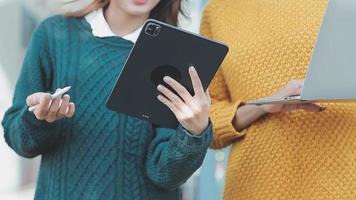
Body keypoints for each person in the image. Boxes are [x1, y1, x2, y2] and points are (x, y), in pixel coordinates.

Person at [1, 0, 213, 199]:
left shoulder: (178, 56)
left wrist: (193, 133)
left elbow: (166, 175)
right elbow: (20, 141)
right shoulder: (54, 34)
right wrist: (39, 119)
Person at [201, 0, 356, 199]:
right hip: (257, 187)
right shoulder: (218, 11)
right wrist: (262, 107)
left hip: (346, 180)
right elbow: (205, 127)